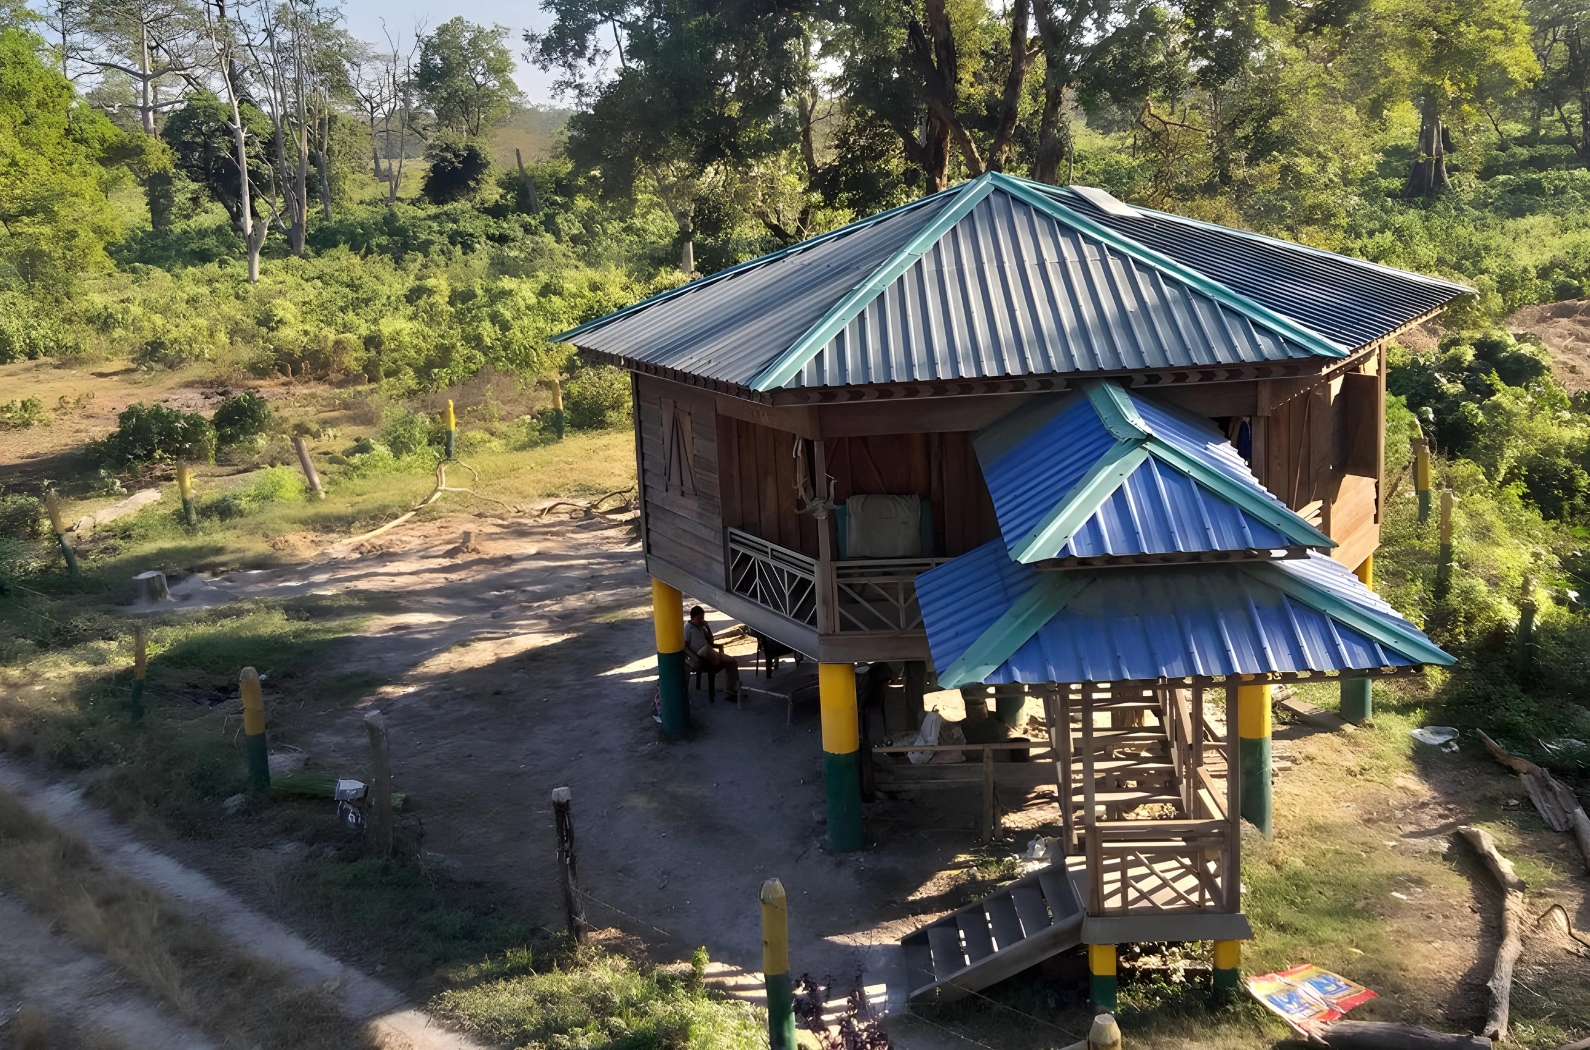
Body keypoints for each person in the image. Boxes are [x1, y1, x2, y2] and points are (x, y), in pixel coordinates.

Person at [683, 606, 741, 702]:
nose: (701, 620)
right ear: (692, 618)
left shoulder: (702, 626)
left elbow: (711, 640)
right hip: (698, 657)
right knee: (729, 662)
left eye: (703, 617)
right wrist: (694, 658)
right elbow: (684, 646)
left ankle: (732, 690)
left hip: (708, 653)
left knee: (732, 661)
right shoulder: (688, 628)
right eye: (699, 618)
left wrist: (707, 627)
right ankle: (731, 689)